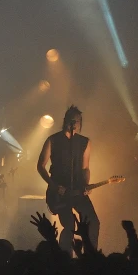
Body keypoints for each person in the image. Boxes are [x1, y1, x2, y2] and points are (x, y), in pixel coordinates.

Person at [37, 105, 99, 253]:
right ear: (65, 121)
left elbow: (85, 168)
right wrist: (54, 186)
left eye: (77, 121)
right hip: (59, 192)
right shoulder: (53, 140)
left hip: (77, 191)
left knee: (93, 222)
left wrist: (86, 185)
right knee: (69, 225)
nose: (74, 124)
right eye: (71, 120)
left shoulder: (85, 142)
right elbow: (40, 166)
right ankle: (64, 258)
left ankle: (91, 257)